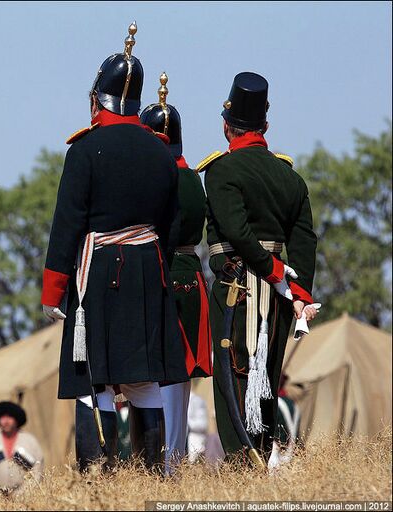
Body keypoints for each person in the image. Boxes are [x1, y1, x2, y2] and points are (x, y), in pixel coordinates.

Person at [41, 22, 187, 473]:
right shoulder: (162, 152)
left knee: (94, 378)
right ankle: (150, 475)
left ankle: (98, 477)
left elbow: (68, 224)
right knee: (144, 381)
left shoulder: (84, 151)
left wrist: (53, 291)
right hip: (148, 268)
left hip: (99, 271)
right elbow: (171, 222)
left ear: (95, 98)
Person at [199, 72, 318, 462]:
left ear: (226, 125)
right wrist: (297, 292)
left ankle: (241, 468)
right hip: (279, 297)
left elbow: (236, 230)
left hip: (238, 288)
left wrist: (272, 270)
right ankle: (264, 457)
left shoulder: (221, 171)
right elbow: (304, 243)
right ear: (265, 125)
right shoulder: (291, 178)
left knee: (234, 380)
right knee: (265, 376)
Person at [140, 72, 212, 475]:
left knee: (157, 373)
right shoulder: (194, 178)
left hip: (161, 270)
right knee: (181, 381)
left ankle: (163, 464)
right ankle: (176, 460)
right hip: (192, 272)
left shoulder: (156, 178)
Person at [0, 401, 43, 493]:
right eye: (2, 417)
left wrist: (28, 490)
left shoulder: (30, 441)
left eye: (9, 417)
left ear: (17, 419)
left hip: (23, 493)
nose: (6, 421)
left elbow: (38, 468)